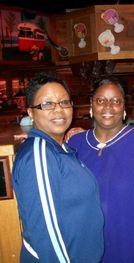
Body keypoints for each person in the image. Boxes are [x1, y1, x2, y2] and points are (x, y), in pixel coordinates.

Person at [67, 77, 134, 263]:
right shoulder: (75, 144)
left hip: (133, 245)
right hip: (87, 247)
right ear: (91, 105)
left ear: (124, 108)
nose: (108, 106)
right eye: (100, 101)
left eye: (116, 101)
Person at [12, 73, 104, 262]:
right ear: (30, 112)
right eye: (47, 104)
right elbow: (45, 232)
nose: (58, 110)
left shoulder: (61, 148)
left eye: (64, 102)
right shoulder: (39, 154)